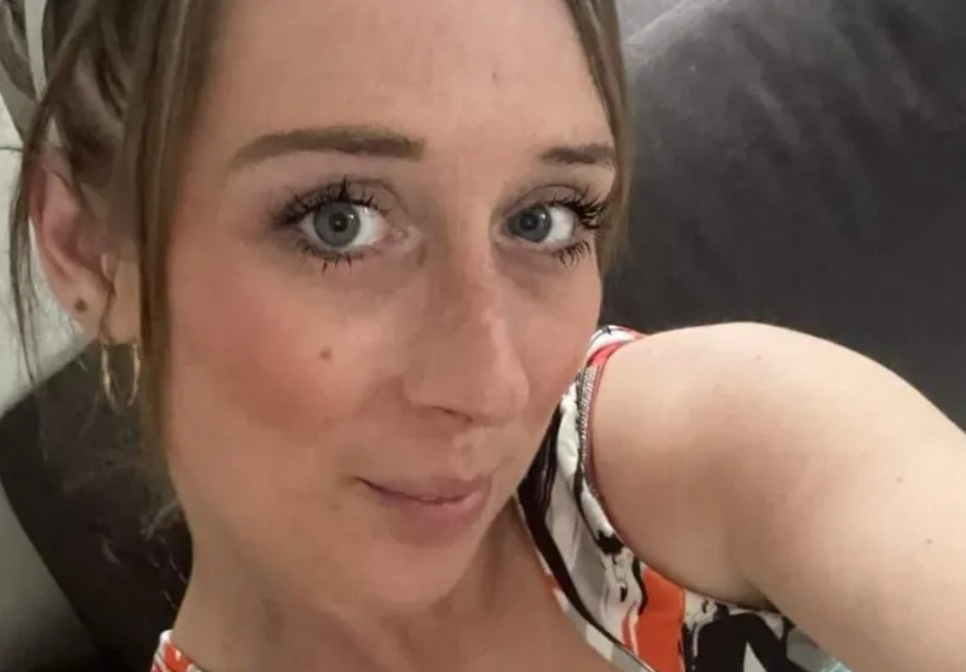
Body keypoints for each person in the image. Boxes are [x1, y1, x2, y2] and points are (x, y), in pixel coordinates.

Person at [2, 1, 964, 671]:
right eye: (340, 221)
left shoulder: (715, 455)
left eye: (545, 217)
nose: (496, 384)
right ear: (90, 253)